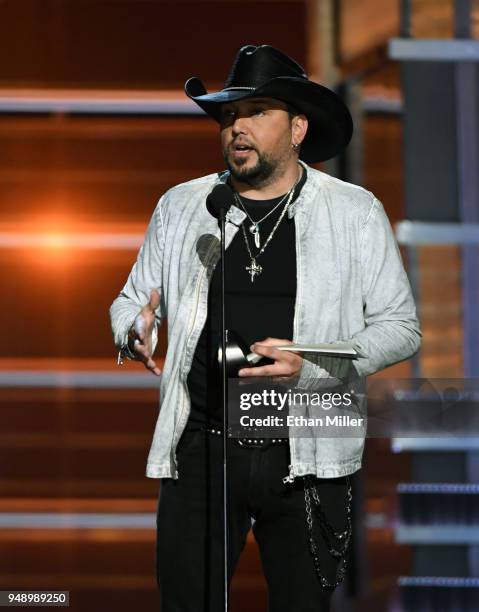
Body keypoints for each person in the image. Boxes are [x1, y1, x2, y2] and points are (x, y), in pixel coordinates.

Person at [109, 44, 421, 612]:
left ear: (298, 127)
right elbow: (132, 300)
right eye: (229, 115)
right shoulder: (184, 206)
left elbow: (401, 327)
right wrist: (136, 328)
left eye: (256, 113)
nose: (238, 128)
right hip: (202, 450)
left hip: (308, 451)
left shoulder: (353, 213)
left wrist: (318, 365)